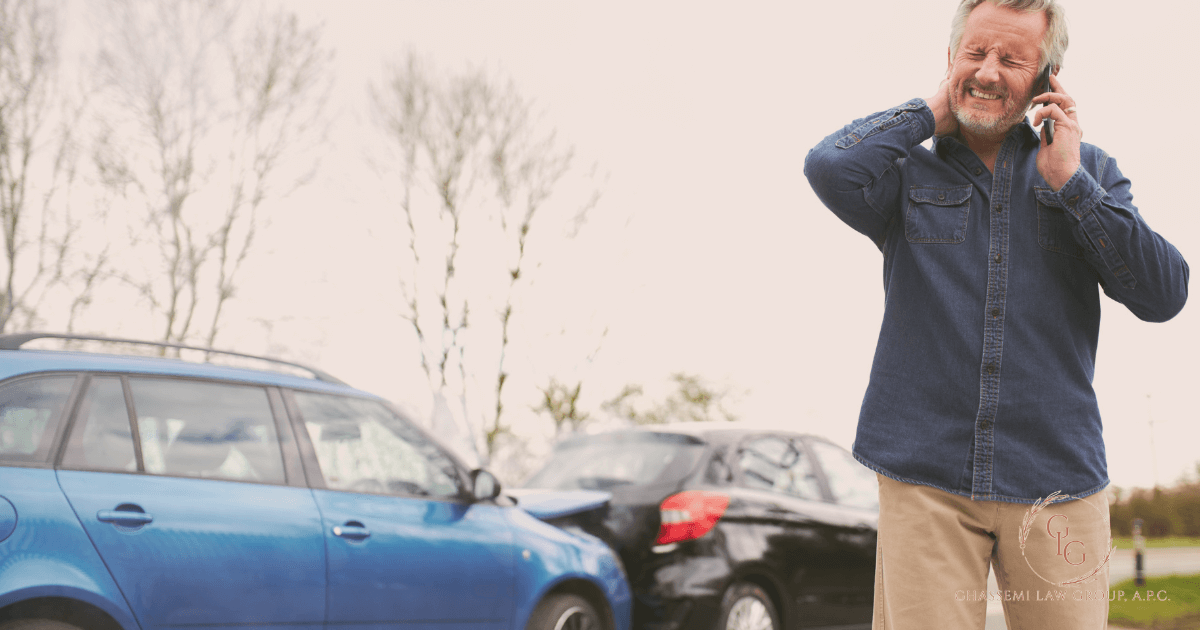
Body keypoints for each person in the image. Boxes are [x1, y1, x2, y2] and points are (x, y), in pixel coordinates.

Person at [803, 1, 1188, 629]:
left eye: (1011, 59)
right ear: (950, 60)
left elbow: (1164, 293)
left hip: (1057, 480)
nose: (987, 71)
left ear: (1046, 79)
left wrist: (1069, 182)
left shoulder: (1089, 173)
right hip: (923, 476)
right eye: (974, 53)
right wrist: (931, 110)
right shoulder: (902, 172)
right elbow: (828, 166)